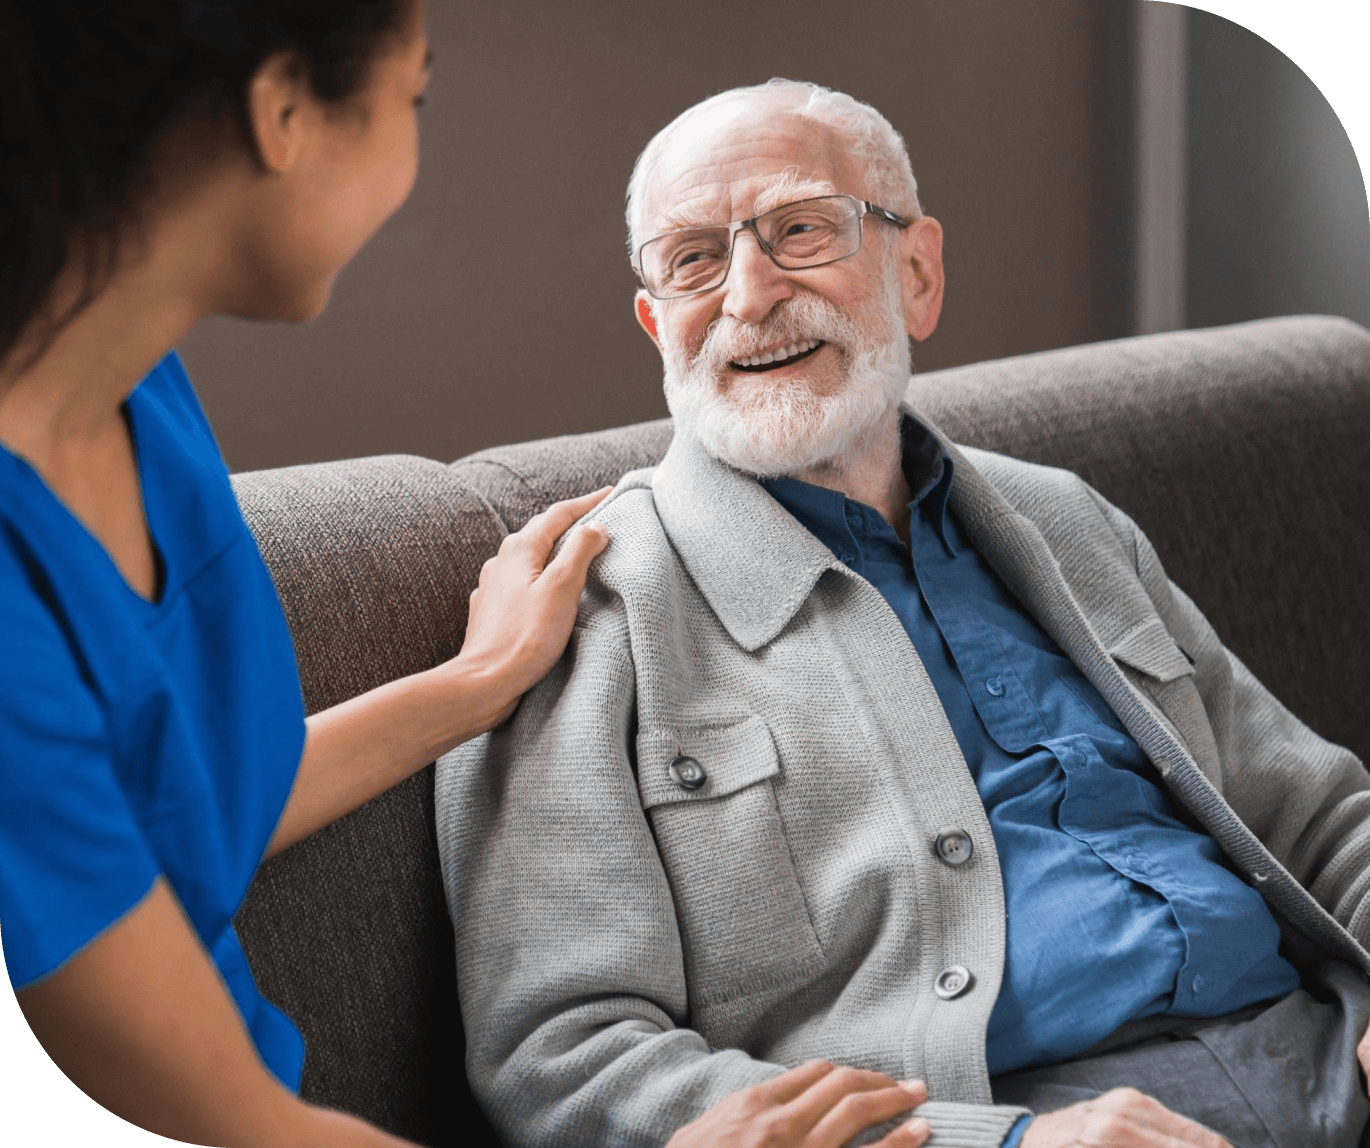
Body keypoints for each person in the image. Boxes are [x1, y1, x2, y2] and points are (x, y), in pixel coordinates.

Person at [435, 79, 1370, 1148]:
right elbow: (562, 1058)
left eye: (799, 230)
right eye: (693, 259)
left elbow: (1318, 815)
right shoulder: (585, 608)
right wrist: (996, 1143)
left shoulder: (1064, 519)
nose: (747, 294)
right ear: (655, 322)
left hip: (1323, 1050)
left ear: (915, 272)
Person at [0, 3, 631, 1145]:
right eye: (414, 96)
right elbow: (236, 1121)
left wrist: (478, 682)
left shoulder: (139, 394)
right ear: (284, 111)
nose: (416, 150)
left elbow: (174, 807)